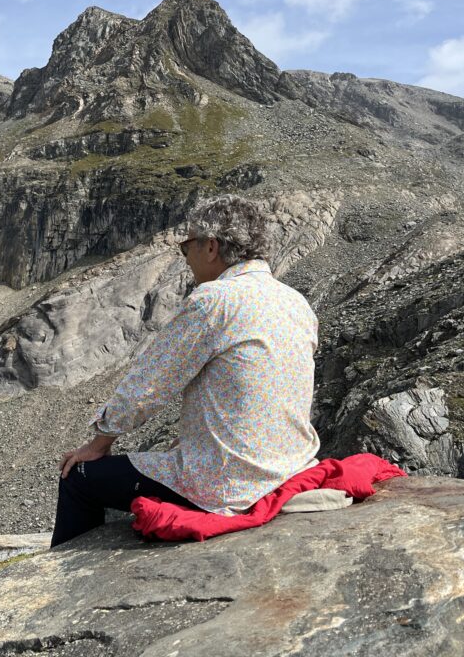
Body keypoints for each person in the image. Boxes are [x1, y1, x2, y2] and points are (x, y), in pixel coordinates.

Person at [51, 194, 321, 547]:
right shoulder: (295, 301)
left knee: (79, 477)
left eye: (187, 246)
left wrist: (99, 443)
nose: (186, 257)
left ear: (210, 247)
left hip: (232, 481)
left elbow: (149, 385)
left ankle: (65, 584)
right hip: (291, 466)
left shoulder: (214, 299)